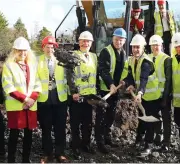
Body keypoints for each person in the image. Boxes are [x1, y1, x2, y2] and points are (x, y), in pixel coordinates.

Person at [2, 37, 42, 163]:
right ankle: (11, 160)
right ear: (14, 51)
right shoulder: (8, 66)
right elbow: (8, 86)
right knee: (14, 135)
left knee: (28, 135)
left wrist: (32, 99)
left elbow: (37, 84)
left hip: (30, 106)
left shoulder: (32, 65)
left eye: (25, 51)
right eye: (19, 50)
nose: (22, 53)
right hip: (16, 106)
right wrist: (25, 100)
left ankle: (26, 159)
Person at [126, 34, 161, 156]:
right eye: (133, 47)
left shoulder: (146, 62)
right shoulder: (131, 60)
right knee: (142, 118)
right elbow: (130, 75)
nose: (135, 50)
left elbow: (144, 78)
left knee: (149, 121)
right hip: (142, 96)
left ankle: (148, 145)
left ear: (143, 48)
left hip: (151, 97)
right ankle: (139, 140)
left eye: (138, 47)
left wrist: (139, 92)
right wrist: (130, 84)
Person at [37, 36, 69, 163]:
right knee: (46, 128)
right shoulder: (37, 61)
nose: (50, 49)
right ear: (43, 47)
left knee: (60, 127)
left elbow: (68, 77)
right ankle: (47, 153)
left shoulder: (62, 60)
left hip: (60, 99)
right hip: (44, 100)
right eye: (47, 47)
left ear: (55, 48)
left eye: (52, 47)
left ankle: (60, 153)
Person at [96, 28, 128, 153]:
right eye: (116, 39)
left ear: (124, 41)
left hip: (115, 91)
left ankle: (107, 137)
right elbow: (103, 70)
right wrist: (110, 84)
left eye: (121, 40)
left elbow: (124, 70)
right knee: (101, 117)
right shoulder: (106, 51)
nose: (118, 42)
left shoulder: (123, 53)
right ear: (112, 39)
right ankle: (100, 142)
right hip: (105, 91)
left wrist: (123, 81)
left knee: (110, 115)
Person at [69, 31, 97, 159]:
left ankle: (86, 144)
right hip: (77, 96)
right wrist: (74, 91)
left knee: (88, 122)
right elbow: (69, 75)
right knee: (75, 123)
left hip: (90, 96)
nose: (86, 43)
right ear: (79, 42)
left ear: (91, 43)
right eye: (83, 41)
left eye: (88, 41)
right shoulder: (73, 55)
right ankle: (75, 146)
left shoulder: (94, 56)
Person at [147, 34, 172, 151]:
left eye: (157, 45)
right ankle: (157, 137)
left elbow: (168, 79)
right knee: (155, 117)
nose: (155, 47)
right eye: (153, 45)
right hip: (153, 95)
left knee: (166, 119)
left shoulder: (166, 59)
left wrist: (165, 97)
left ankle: (166, 142)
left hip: (163, 95)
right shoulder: (147, 57)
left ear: (161, 45)